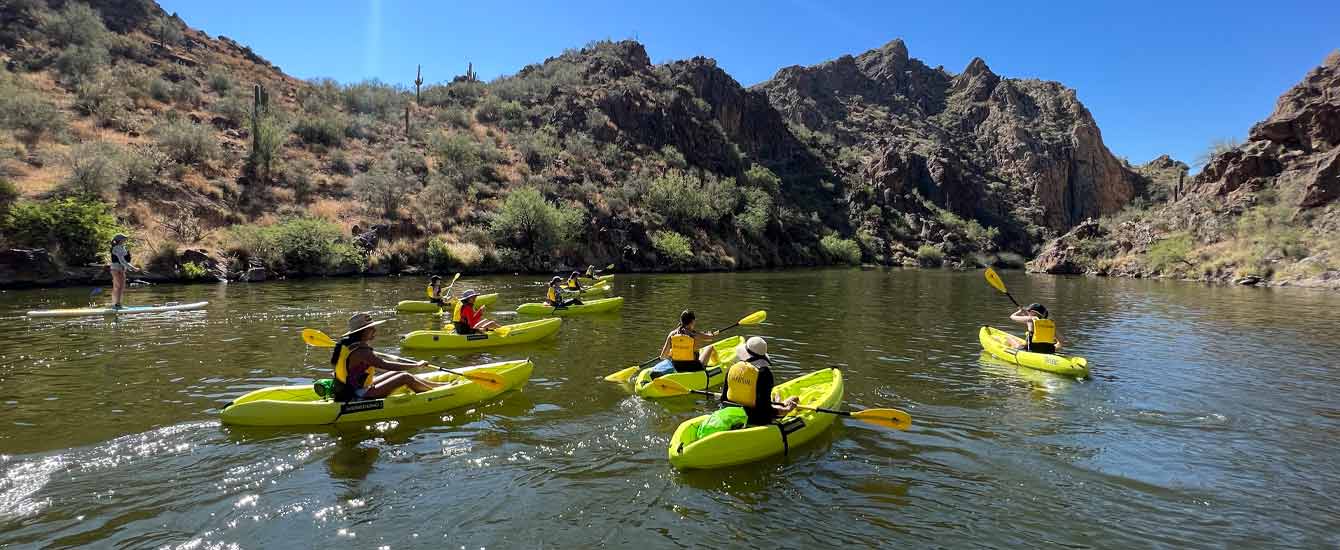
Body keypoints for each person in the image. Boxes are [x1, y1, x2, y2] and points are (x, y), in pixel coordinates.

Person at [331, 313, 444, 401]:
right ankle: (437, 394)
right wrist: (416, 365)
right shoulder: (361, 351)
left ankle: (439, 386)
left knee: (397, 374)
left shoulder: (348, 345)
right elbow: (385, 365)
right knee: (404, 377)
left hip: (352, 389)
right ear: (361, 332)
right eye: (371, 328)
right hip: (355, 394)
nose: (375, 330)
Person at [720, 336, 799, 426]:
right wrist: (786, 410)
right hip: (755, 419)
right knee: (794, 398)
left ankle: (778, 402)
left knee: (777, 397)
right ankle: (782, 404)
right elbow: (764, 409)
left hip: (729, 412)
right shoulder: (764, 373)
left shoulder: (732, 368)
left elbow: (723, 399)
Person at [109, 234, 132, 310]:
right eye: (124, 239)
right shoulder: (117, 248)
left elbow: (124, 260)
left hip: (118, 268)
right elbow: (121, 260)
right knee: (119, 287)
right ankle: (117, 305)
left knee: (117, 287)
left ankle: (115, 304)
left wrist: (127, 267)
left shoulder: (121, 247)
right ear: (120, 240)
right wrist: (132, 268)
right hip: (117, 268)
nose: (125, 240)